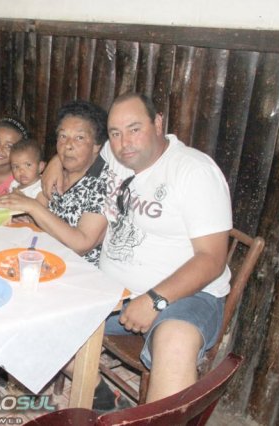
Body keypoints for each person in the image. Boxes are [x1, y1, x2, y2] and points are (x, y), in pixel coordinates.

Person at [42, 93, 232, 404]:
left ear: (158, 123)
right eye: (115, 133)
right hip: (114, 293)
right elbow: (79, 145)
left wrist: (155, 299)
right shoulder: (116, 156)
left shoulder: (193, 171)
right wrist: (55, 161)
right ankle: (105, 400)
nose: (124, 142)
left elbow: (212, 259)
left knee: (176, 341)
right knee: (38, 312)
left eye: (134, 129)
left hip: (185, 295)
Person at [0, 100, 109, 266]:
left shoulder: (102, 184)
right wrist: (29, 221)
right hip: (42, 257)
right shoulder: (57, 173)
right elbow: (49, 222)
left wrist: (33, 207)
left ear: (96, 146)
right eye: (63, 136)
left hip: (77, 269)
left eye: (79, 138)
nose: (68, 145)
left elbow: (82, 244)